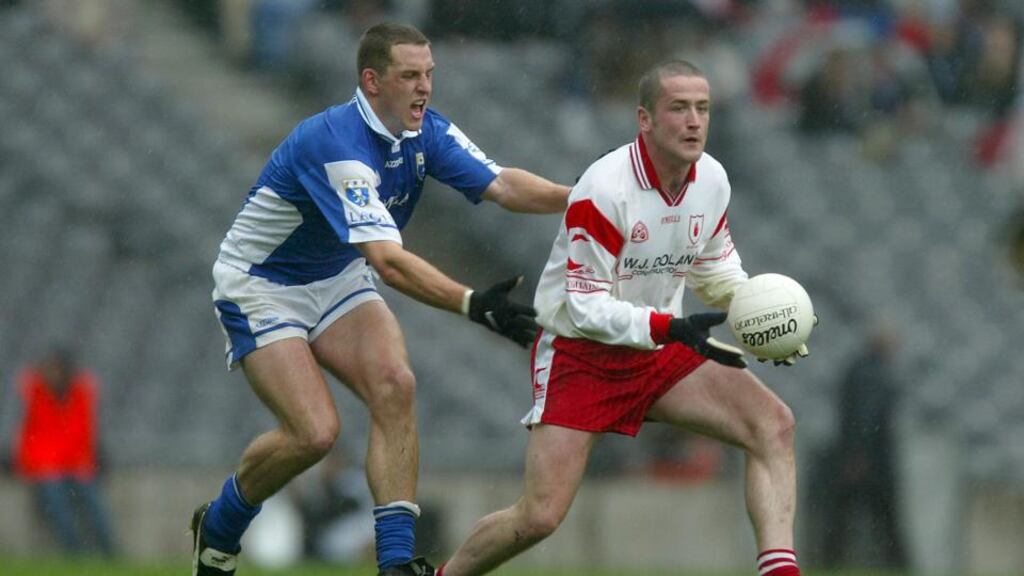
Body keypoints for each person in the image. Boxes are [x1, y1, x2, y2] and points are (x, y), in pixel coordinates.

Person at [189, 22, 570, 576]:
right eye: (409, 75)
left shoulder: (425, 133)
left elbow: (503, 184)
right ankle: (220, 526)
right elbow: (389, 263)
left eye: (429, 74)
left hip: (335, 275)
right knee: (315, 433)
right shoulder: (336, 142)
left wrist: (583, 196)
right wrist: (471, 302)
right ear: (372, 81)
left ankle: (394, 564)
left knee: (396, 385)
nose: (424, 87)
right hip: (262, 283)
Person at [433, 60, 810, 576]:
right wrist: (665, 328)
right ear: (645, 119)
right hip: (580, 356)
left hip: (658, 349)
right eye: (678, 108)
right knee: (539, 517)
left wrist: (764, 317)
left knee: (774, 425)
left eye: (702, 108)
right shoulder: (604, 189)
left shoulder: (712, 179)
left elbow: (714, 266)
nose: (694, 121)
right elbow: (586, 308)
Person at [10, 347, 117, 556]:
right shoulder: (35, 394)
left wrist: (80, 464)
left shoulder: (81, 394)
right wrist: (40, 466)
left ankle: (109, 551)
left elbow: (84, 434)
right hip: (46, 468)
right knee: (56, 501)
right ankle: (74, 551)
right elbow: (29, 437)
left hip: (74, 465)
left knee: (93, 500)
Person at [820, 324, 906, 569]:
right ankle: (896, 565)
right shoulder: (873, 373)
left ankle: (829, 562)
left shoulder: (858, 368)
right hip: (870, 460)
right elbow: (866, 416)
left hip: (857, 455)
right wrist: (859, 455)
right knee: (883, 518)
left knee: (842, 516)